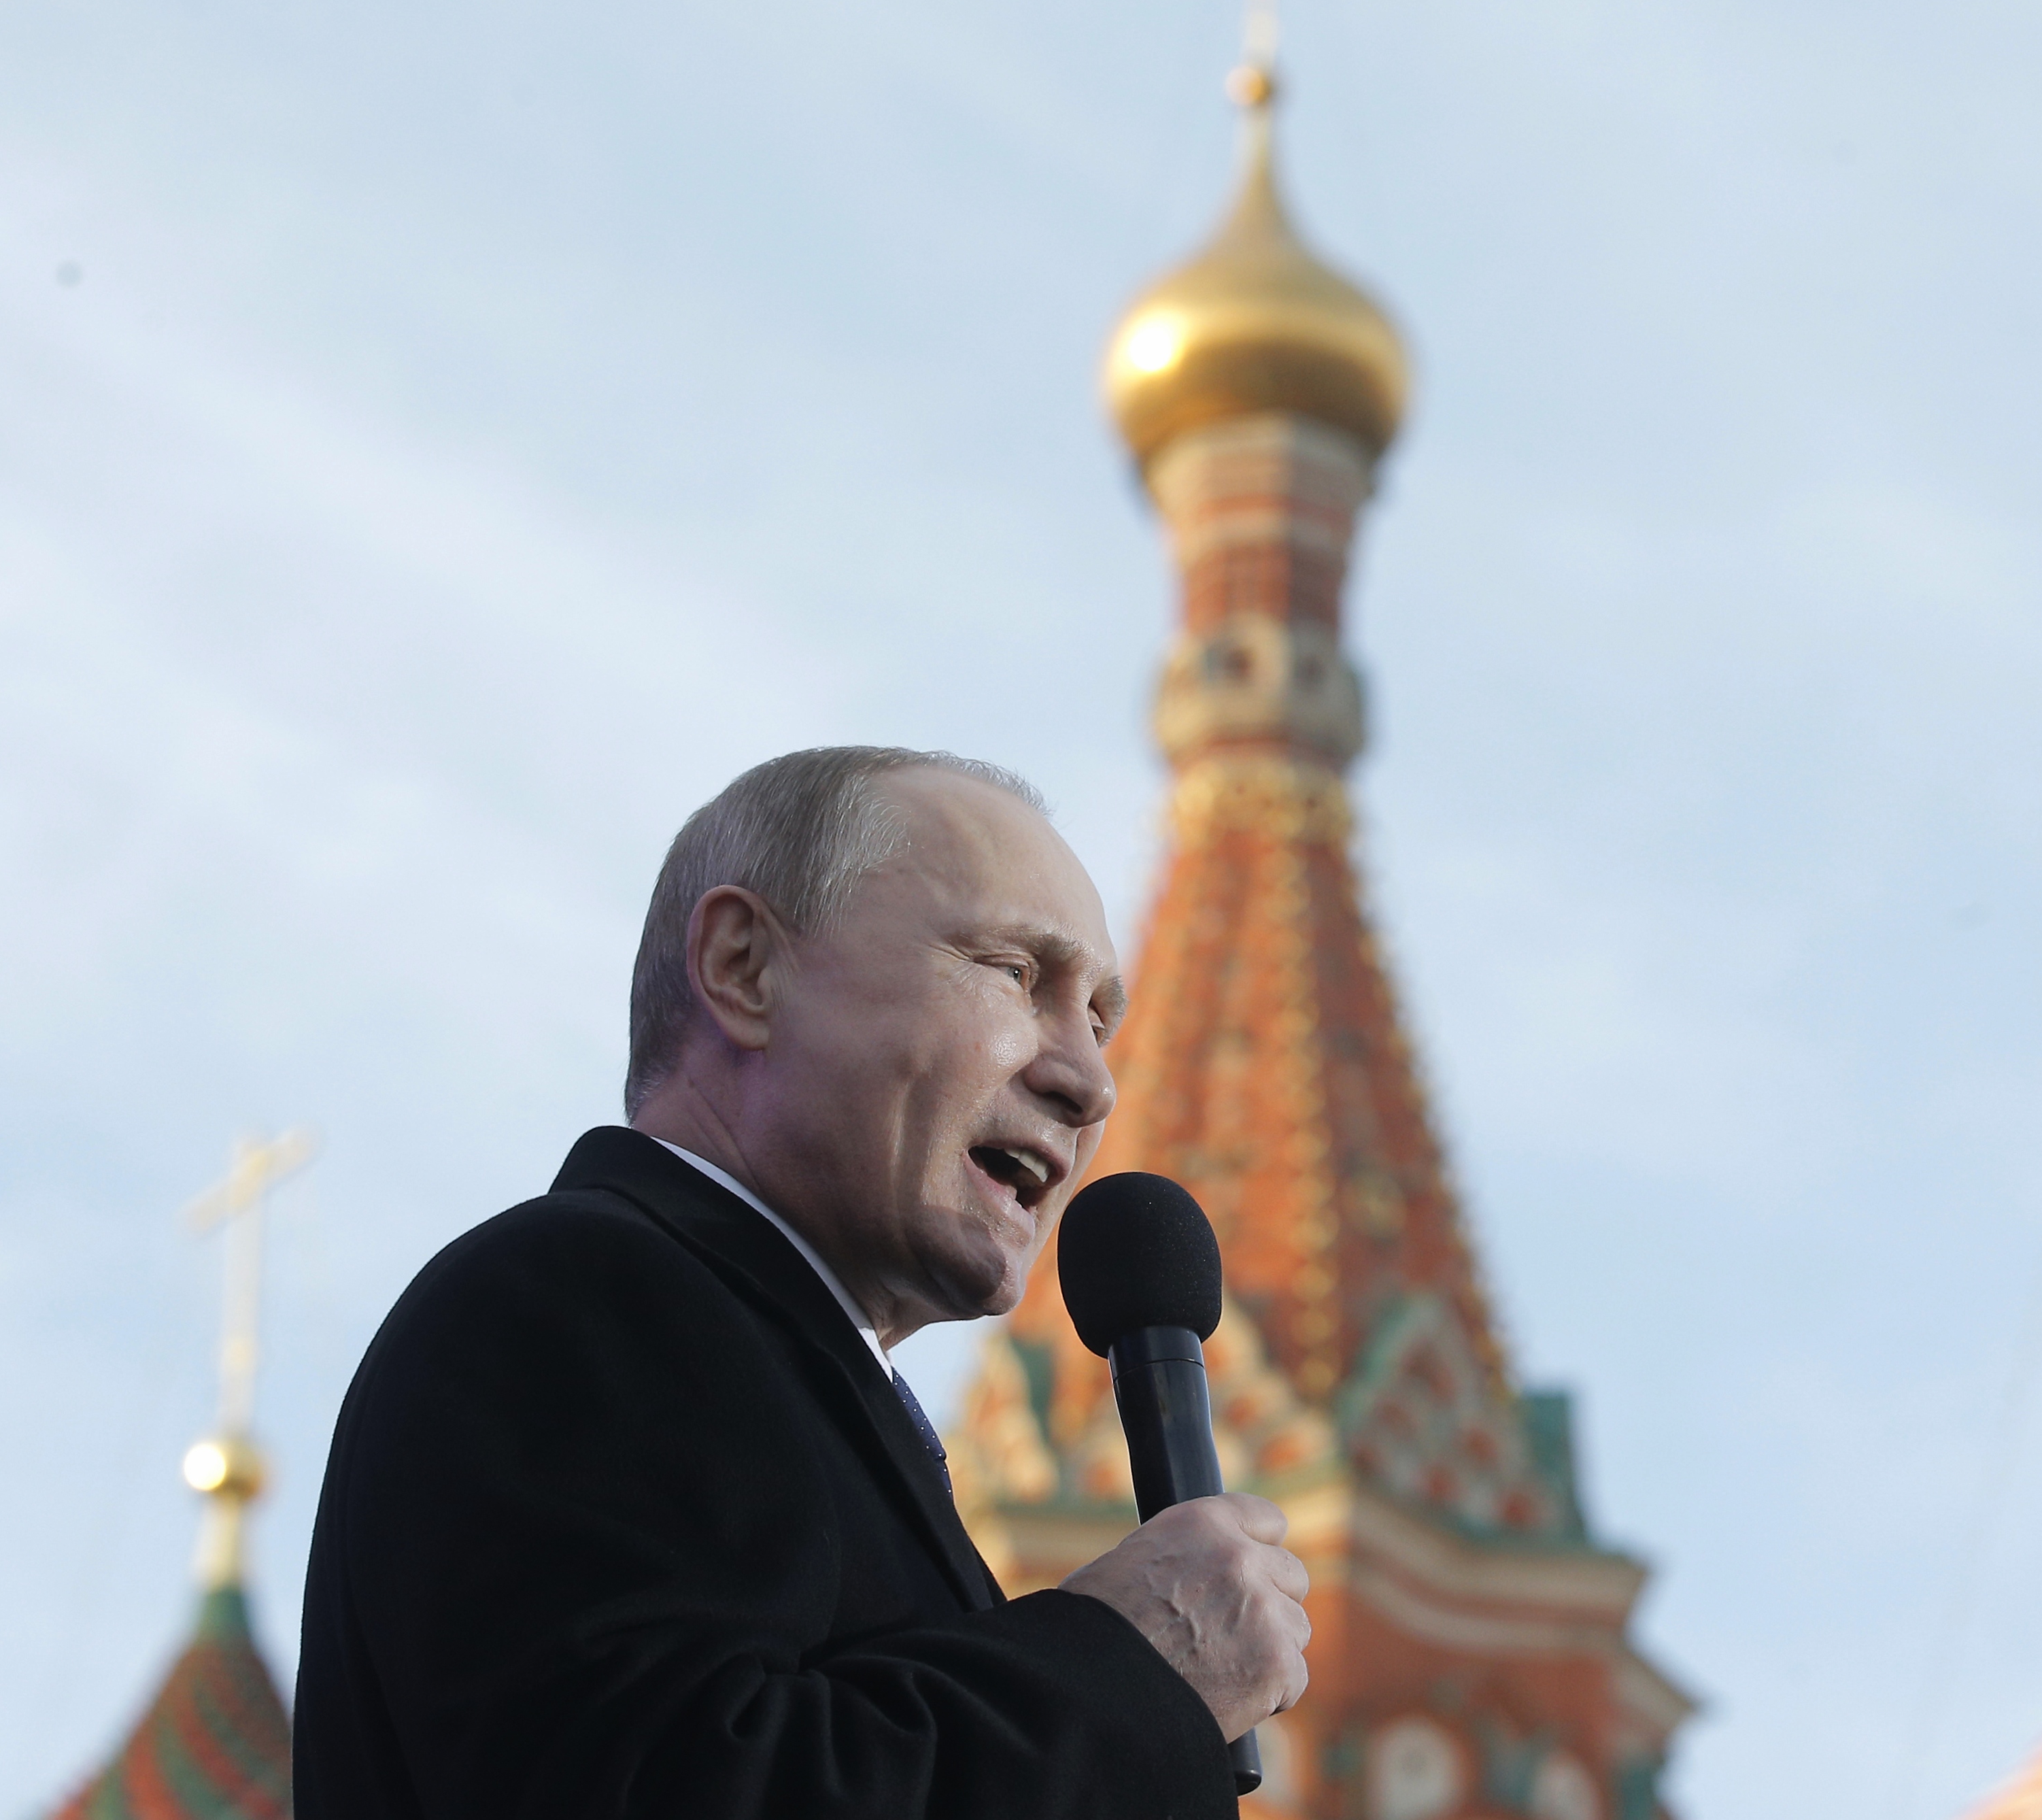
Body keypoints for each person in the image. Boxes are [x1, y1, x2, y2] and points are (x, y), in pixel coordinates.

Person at [294, 747, 1311, 1819]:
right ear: (743, 967)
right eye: (1016, 972)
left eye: (1101, 1018)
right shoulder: (582, 1298)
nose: (1090, 1080)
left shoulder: (787, 1382)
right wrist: (1123, 1666)